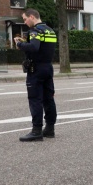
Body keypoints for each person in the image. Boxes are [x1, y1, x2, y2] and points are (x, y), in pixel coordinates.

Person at [14, 8, 57, 142]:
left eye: (25, 19)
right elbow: (43, 47)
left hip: (36, 69)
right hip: (48, 67)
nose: (25, 22)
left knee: (35, 99)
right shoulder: (50, 31)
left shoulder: (35, 31)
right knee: (48, 98)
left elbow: (34, 47)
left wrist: (20, 44)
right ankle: (50, 129)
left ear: (32, 17)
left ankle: (36, 130)